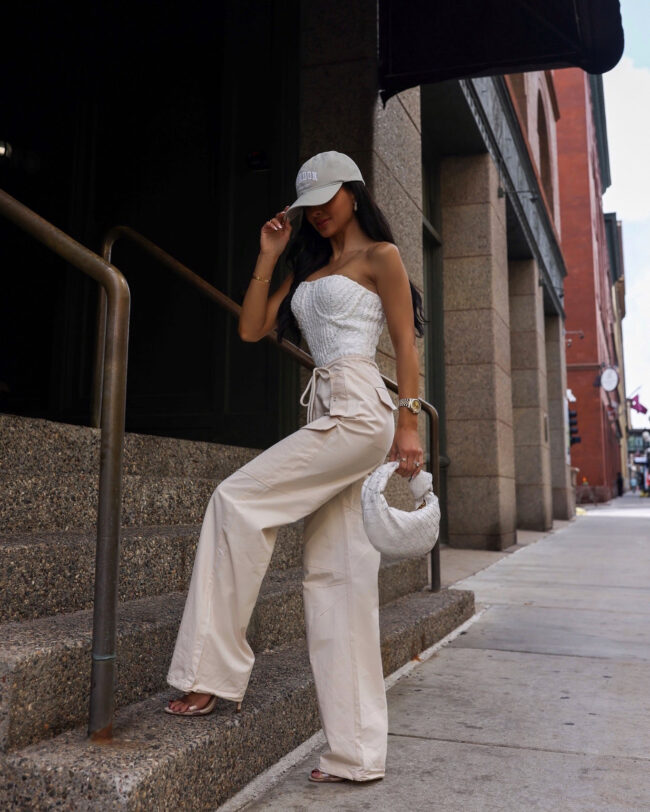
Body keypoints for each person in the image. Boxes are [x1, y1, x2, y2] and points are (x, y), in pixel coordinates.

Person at [164, 151, 425, 783]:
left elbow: (406, 344)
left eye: (329, 199)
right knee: (336, 582)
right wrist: (269, 253)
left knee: (236, 499)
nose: (319, 212)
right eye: (310, 205)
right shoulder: (310, 265)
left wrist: (411, 422)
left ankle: (209, 674)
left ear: (354, 195)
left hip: (361, 412)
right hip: (326, 416)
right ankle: (356, 755)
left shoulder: (380, 257)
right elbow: (253, 328)